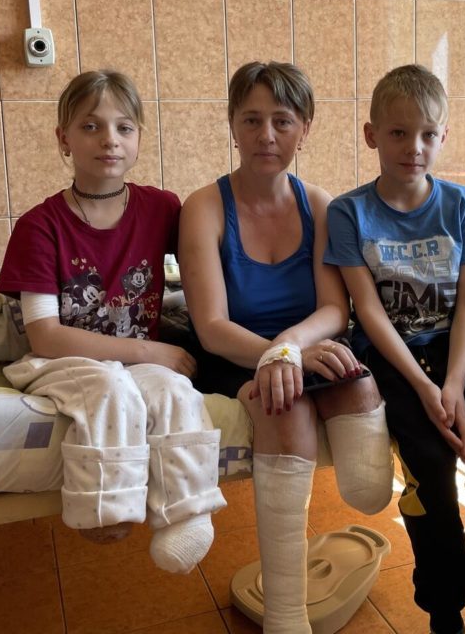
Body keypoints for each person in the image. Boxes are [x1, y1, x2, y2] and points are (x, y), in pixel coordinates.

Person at [180, 61, 394, 633]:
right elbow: (210, 325)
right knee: (285, 405)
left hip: (307, 347)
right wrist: (273, 358)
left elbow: (334, 309)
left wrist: (291, 348)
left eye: (282, 120)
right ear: (232, 125)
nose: (266, 135)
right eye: (251, 119)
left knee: (361, 387)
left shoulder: (320, 205)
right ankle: (285, 615)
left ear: (306, 129)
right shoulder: (203, 207)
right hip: (238, 354)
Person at [324, 65, 465, 634]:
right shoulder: (348, 213)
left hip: (462, 349)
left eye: (427, 135)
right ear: (371, 135)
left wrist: (454, 383)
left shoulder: (463, 205)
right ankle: (445, 610)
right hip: (391, 355)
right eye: (397, 133)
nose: (413, 148)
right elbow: (365, 310)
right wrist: (424, 387)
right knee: (429, 475)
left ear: (442, 137)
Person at [0, 69, 226, 574]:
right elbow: (46, 334)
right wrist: (149, 350)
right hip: (63, 359)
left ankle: (188, 513)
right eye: (91, 126)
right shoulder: (39, 227)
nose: (109, 140)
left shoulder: (162, 208)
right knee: (109, 388)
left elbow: (210, 264)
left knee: (172, 392)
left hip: (134, 359)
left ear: (140, 136)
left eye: (124, 127)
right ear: (64, 138)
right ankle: (104, 507)